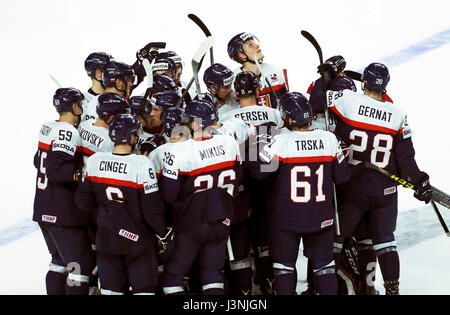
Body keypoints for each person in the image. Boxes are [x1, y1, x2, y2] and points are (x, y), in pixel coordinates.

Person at [327, 62, 433, 295]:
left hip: (353, 187)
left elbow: (317, 101)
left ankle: (326, 287)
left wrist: (329, 75)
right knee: (385, 241)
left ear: (363, 82)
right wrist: (419, 180)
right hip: (385, 191)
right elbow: (405, 159)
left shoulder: (348, 101)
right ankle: (391, 290)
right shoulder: (399, 114)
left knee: (334, 241)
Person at [252, 92, 351, 295]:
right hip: (321, 217)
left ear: (288, 118)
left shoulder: (281, 142)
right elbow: (342, 178)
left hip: (286, 219)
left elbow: (258, 172)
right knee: (324, 268)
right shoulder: (329, 139)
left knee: (284, 268)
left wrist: (261, 141)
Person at [75, 114, 169, 295]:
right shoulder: (142, 163)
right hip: (137, 240)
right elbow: (151, 209)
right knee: (144, 291)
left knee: (111, 291)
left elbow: (83, 202)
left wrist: (105, 217)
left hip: (106, 238)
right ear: (133, 136)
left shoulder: (95, 160)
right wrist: (163, 232)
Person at [160, 99, 241, 295]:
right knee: (212, 275)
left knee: (172, 279)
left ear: (193, 123)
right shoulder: (230, 142)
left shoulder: (178, 150)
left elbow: (169, 196)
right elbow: (237, 183)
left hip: (192, 222)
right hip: (222, 218)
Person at [33, 87, 95, 295]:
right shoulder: (68, 132)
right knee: (79, 268)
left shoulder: (48, 127)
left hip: (44, 207)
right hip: (63, 213)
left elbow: (38, 161)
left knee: (59, 262)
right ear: (75, 107)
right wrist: (83, 173)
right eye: (81, 104)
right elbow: (55, 170)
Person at [227, 32, 289, 108]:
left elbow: (286, 106)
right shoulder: (232, 81)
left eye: (254, 43)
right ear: (242, 55)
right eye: (250, 45)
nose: (257, 45)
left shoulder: (275, 71)